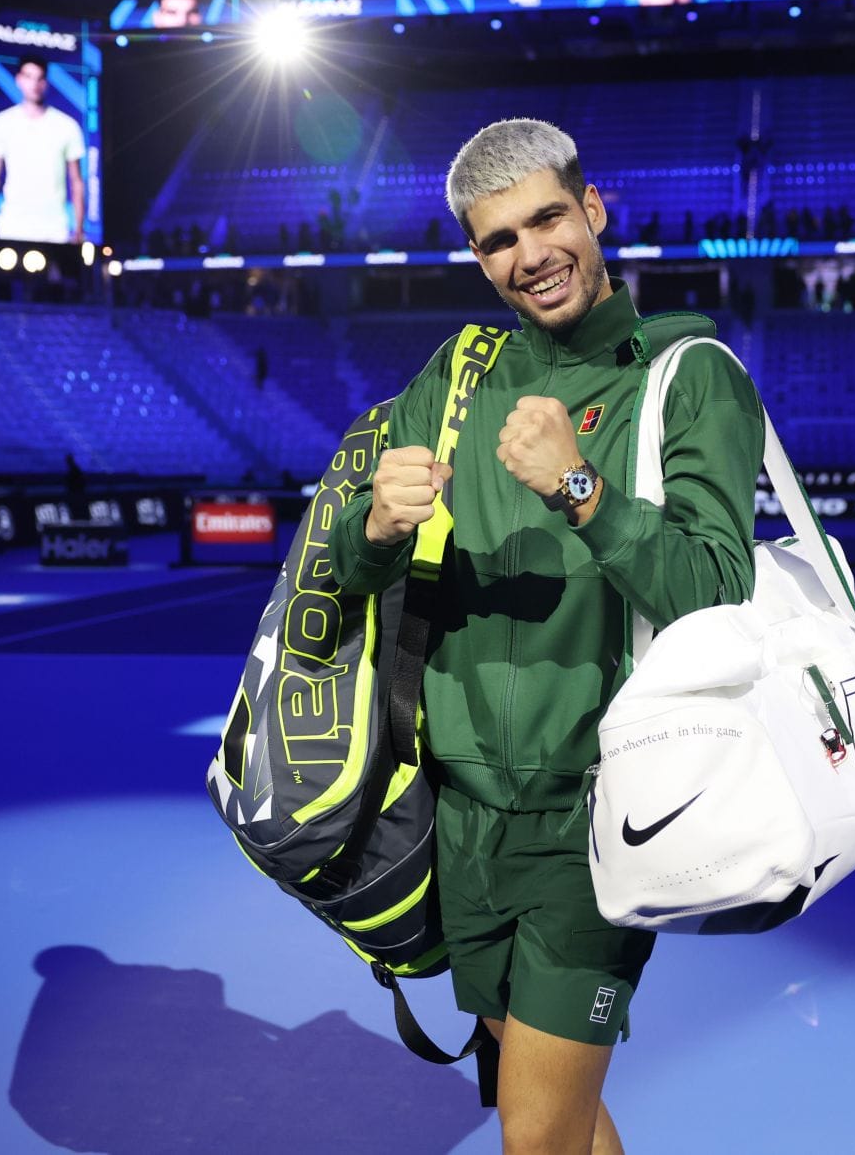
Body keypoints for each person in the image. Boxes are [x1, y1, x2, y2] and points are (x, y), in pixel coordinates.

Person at [328, 119, 764, 1154]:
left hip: (596, 815)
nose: (530, 257)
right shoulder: (457, 377)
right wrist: (374, 526)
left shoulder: (686, 369)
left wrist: (581, 489)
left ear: (594, 210)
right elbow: (352, 574)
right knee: (556, 1114)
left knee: (535, 1132)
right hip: (460, 816)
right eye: (496, 241)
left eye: (548, 219)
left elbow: (716, 587)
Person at [0, 57, 86, 245]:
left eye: (40, 78)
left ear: (46, 82)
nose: (34, 84)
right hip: (12, 227)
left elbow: (76, 181)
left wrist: (78, 229)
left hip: (54, 230)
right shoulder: (1, 123)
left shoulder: (67, 126)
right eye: (29, 76)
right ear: (19, 79)